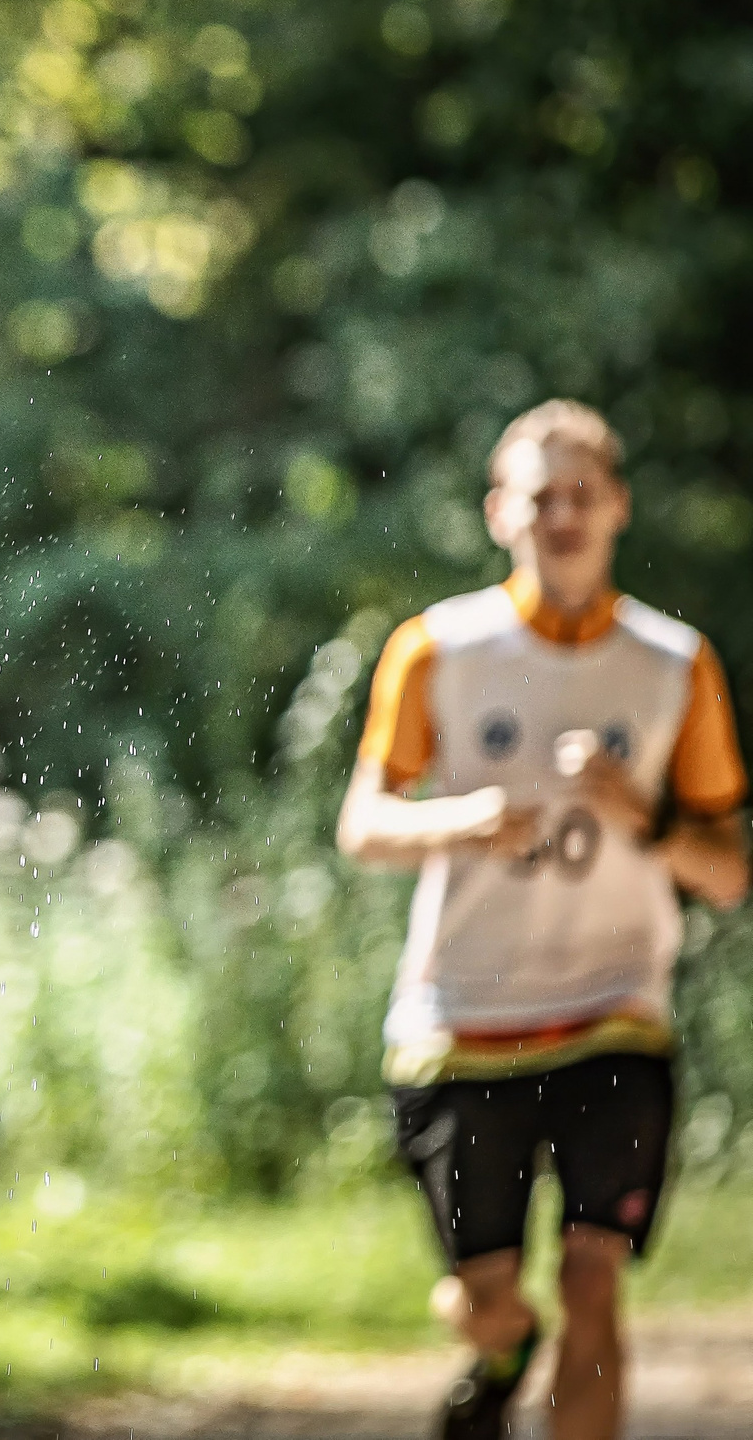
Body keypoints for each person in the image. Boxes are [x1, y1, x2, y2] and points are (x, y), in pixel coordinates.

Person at [338, 399, 747, 1440]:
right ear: (498, 512)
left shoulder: (675, 663)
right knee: (487, 1302)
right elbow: (362, 825)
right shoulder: (436, 648)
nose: (561, 516)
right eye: (539, 496)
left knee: (593, 1280)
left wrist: (643, 815)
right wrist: (464, 821)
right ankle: (499, 1345)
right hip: (461, 1018)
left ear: (616, 506)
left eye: (581, 494)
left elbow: (727, 873)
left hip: (616, 1008)